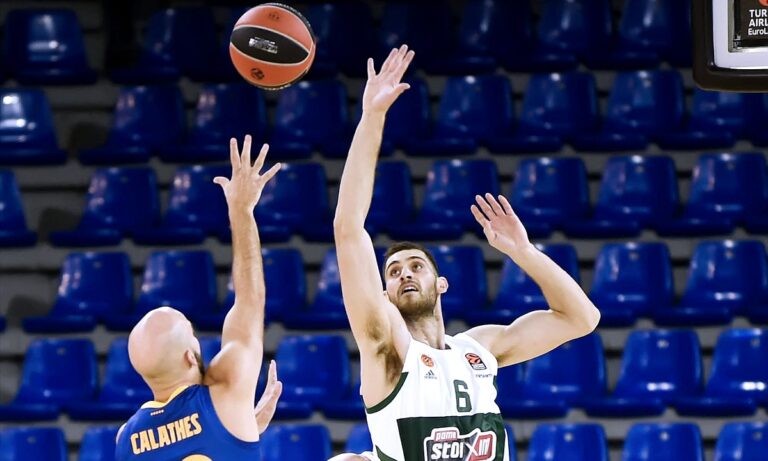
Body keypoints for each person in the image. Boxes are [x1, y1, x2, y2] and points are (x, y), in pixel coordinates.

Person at [331, 45, 602, 461]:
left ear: (441, 284)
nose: (405, 274)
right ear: (383, 296)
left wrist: (524, 252)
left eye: (416, 266)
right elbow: (348, 229)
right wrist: (372, 117)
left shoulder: (478, 349)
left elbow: (582, 318)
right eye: (394, 272)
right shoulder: (387, 351)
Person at [115, 136, 283, 460]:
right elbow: (250, 299)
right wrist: (241, 211)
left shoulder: (126, 440)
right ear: (190, 358)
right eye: (191, 333)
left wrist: (245, 426)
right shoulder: (227, 391)